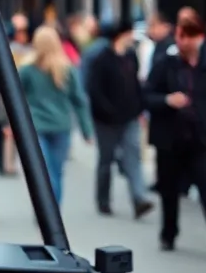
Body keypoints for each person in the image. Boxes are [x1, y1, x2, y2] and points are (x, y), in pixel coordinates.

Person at [142, 15, 206, 258]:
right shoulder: (165, 64)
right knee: (169, 189)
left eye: (188, 36)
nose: (182, 41)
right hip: (170, 139)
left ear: (199, 38)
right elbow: (147, 95)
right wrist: (166, 100)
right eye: (179, 36)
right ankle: (169, 233)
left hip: (202, 139)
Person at [18, 26, 94, 206]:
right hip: (61, 125)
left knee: (42, 172)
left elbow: (15, 98)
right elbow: (79, 101)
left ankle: (45, 212)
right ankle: (54, 215)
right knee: (56, 173)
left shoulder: (27, 70)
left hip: (36, 126)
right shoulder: (68, 69)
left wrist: (10, 124)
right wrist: (87, 131)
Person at [86, 22, 155, 218]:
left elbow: (135, 83)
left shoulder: (130, 56)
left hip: (129, 116)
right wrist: (106, 110)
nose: (132, 37)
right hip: (106, 120)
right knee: (106, 160)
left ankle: (139, 198)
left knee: (133, 156)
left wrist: (140, 105)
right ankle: (103, 200)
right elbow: (95, 89)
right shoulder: (102, 59)